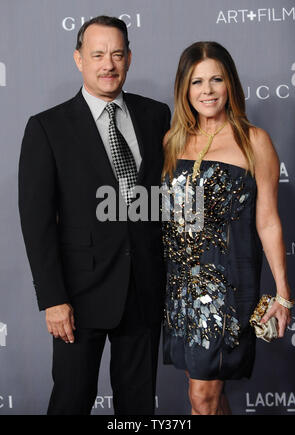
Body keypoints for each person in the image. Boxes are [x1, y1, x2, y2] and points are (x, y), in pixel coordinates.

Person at [18, 16, 170, 415]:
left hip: (143, 290)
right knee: (71, 401)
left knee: (137, 408)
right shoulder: (47, 127)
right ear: (78, 59)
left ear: (130, 58)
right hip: (78, 297)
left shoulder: (156, 116)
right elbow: (36, 225)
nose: (108, 64)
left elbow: (166, 202)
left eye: (117, 54)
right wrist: (53, 299)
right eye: (98, 54)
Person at [161, 41, 293, 415]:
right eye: (197, 82)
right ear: (184, 90)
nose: (207, 91)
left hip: (226, 286)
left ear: (230, 84)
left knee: (203, 395)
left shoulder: (254, 141)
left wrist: (283, 293)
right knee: (203, 392)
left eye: (216, 79)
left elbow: (267, 220)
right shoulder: (173, 141)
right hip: (180, 284)